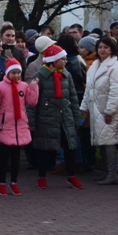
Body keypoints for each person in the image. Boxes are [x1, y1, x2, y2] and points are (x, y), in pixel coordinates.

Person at [27, 45, 83, 190]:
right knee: (44, 149)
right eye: (62, 59)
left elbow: (73, 97)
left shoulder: (66, 74)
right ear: (54, 61)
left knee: (70, 147)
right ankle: (42, 177)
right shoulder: (40, 76)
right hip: (46, 117)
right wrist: (31, 121)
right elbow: (32, 101)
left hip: (65, 117)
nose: (66, 61)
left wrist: (77, 118)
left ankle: (71, 176)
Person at [0, 59, 39, 196]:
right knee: (4, 157)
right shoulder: (0, 86)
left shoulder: (23, 86)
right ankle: (2, 182)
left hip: (20, 125)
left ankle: (14, 182)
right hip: (6, 125)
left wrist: (34, 87)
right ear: (7, 73)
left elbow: (31, 101)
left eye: (18, 73)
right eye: (13, 73)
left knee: (16, 157)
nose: (16, 75)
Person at [80, 37, 118, 185]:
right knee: (102, 140)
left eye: (106, 47)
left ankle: (112, 173)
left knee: (109, 140)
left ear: (111, 49)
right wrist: (84, 107)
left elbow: (117, 91)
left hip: (108, 110)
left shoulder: (115, 66)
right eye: (100, 47)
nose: (102, 50)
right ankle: (108, 172)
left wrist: (110, 111)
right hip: (96, 108)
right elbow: (88, 89)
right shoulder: (95, 65)